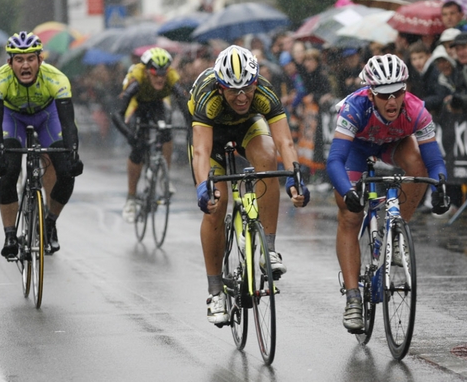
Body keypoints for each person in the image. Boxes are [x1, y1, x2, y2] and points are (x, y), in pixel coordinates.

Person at [326, 54, 449, 332]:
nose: (392, 101)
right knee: (349, 215)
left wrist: (441, 186)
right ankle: (353, 298)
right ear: (371, 94)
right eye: (384, 96)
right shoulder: (354, 108)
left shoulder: (417, 110)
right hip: (357, 150)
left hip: (393, 143)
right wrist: (348, 193)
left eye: (397, 93)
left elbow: (435, 161)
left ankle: (396, 230)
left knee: (417, 164)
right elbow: (334, 161)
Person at [189, 45, 310, 324]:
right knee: (215, 205)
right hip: (212, 137)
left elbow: (284, 142)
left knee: (268, 158)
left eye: (247, 88)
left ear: (255, 82)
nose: (242, 96)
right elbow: (200, 152)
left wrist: (295, 176)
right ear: (221, 88)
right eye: (233, 91)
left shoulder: (265, 93)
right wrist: (202, 187)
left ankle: (269, 249)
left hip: (247, 128)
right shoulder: (207, 97)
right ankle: (216, 292)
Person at [0, 31, 84, 258]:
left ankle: (49, 222)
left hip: (47, 117)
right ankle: (10, 234)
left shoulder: (56, 78)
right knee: (9, 171)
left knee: (66, 173)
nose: (25, 65)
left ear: (41, 59)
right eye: (19, 60)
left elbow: (68, 124)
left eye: (31, 58)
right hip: (14, 118)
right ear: (9, 62)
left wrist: (73, 153)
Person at [110, 47, 191, 222]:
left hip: (157, 105)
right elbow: (116, 114)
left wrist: (191, 128)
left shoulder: (171, 77)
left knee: (166, 132)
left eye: (163, 74)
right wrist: (130, 135)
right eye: (155, 74)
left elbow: (184, 105)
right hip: (137, 106)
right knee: (138, 148)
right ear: (147, 71)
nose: (160, 78)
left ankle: (164, 176)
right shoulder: (136, 79)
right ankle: (131, 199)